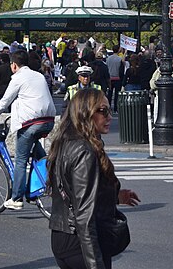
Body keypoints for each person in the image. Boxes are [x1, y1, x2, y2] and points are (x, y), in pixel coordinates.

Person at [48, 88, 140, 269]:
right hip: (79, 242)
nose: (109, 116)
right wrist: (94, 264)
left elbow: (74, 191)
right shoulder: (84, 151)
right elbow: (84, 216)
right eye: (102, 111)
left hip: (63, 236)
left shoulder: (67, 142)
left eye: (109, 110)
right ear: (85, 113)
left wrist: (115, 196)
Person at [0, 49, 56, 210]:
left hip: (31, 122)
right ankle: (44, 182)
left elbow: (4, 101)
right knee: (39, 155)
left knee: (21, 160)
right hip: (48, 120)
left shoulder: (18, 78)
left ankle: (16, 198)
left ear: (14, 65)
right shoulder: (38, 75)